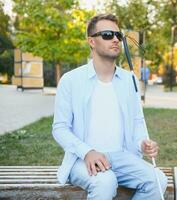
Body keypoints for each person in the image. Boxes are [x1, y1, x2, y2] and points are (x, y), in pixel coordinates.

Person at [52, 13, 167, 200]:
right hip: (83, 159)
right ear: (92, 41)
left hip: (122, 156)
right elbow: (60, 128)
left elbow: (137, 121)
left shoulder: (129, 79)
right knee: (105, 182)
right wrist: (87, 151)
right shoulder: (71, 80)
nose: (115, 39)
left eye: (118, 35)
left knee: (157, 180)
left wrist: (142, 143)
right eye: (107, 34)